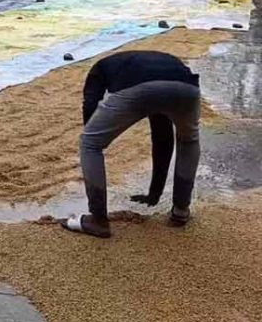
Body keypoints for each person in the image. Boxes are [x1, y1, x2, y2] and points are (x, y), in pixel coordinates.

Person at [62, 51, 201, 238]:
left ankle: (98, 220)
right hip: (187, 88)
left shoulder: (98, 69)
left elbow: (90, 105)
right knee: (188, 141)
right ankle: (181, 212)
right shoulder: (152, 62)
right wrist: (155, 192)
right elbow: (163, 137)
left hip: (139, 87)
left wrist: (94, 136)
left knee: (89, 144)